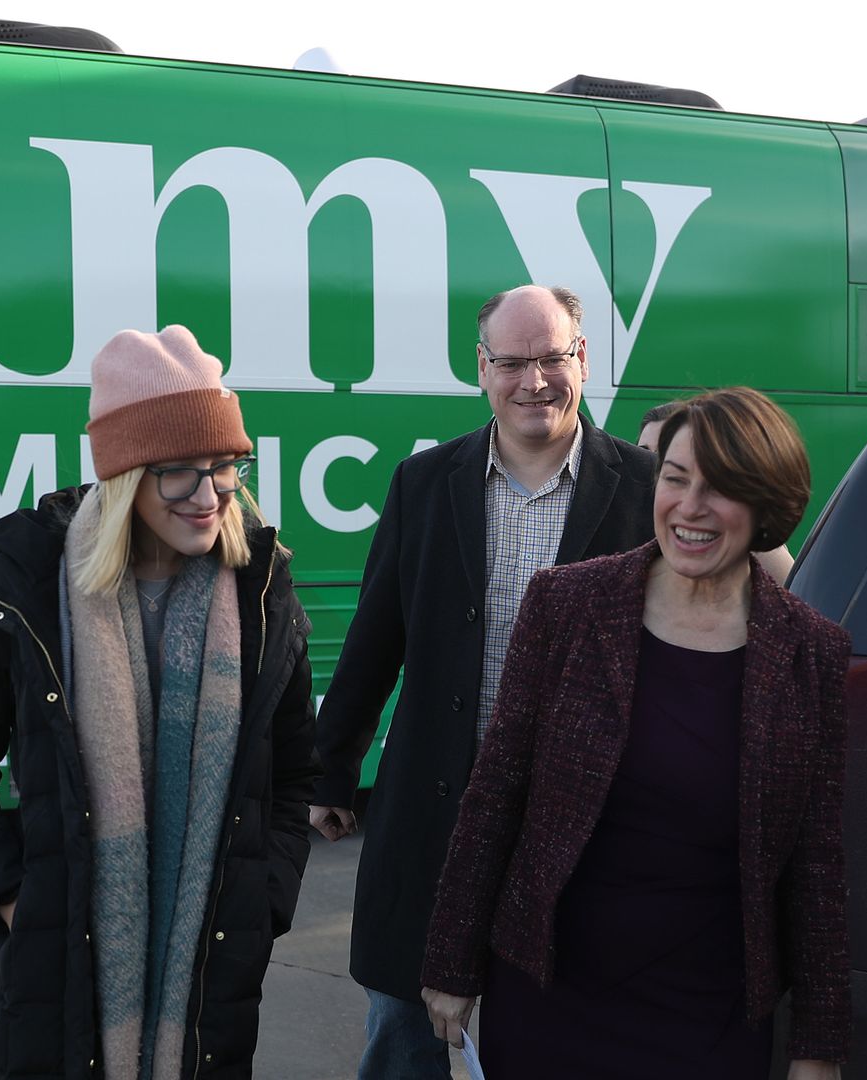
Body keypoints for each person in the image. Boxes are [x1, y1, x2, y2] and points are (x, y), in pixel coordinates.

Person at [0, 326, 320, 1080]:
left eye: (226, 467)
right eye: (180, 474)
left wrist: (264, 901)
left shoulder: (264, 597)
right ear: (126, 473)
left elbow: (295, 776)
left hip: (208, 978)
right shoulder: (21, 590)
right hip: (48, 979)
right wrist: (13, 901)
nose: (210, 496)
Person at [421, 387, 852, 1078]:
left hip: (709, 1014)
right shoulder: (566, 604)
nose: (689, 507)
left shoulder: (811, 653)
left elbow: (816, 860)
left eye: (722, 490)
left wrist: (819, 1046)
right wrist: (452, 960)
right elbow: (496, 791)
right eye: (675, 479)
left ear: (767, 506)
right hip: (550, 996)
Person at [310, 284, 659, 1078]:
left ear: (583, 360)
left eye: (552, 358)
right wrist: (332, 768)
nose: (533, 381)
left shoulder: (643, 489)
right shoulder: (425, 484)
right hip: (438, 807)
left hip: (583, 823)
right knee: (408, 1037)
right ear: (481, 369)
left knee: (563, 1036)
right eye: (512, 362)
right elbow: (376, 635)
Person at [641, 397, 795, 582]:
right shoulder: (608, 581)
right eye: (643, 451)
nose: (650, 462)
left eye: (713, 486)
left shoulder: (760, 552)